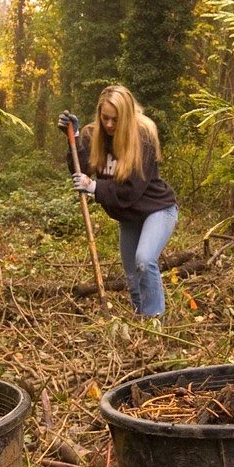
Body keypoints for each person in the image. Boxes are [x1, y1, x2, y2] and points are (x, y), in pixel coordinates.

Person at [59, 85, 178, 318]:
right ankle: (140, 319)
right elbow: (81, 171)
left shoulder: (143, 137)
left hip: (158, 209)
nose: (110, 125)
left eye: (116, 119)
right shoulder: (95, 136)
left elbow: (131, 189)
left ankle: (155, 324)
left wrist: (93, 187)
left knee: (144, 260)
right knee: (132, 275)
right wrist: (72, 139)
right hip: (128, 216)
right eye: (105, 118)